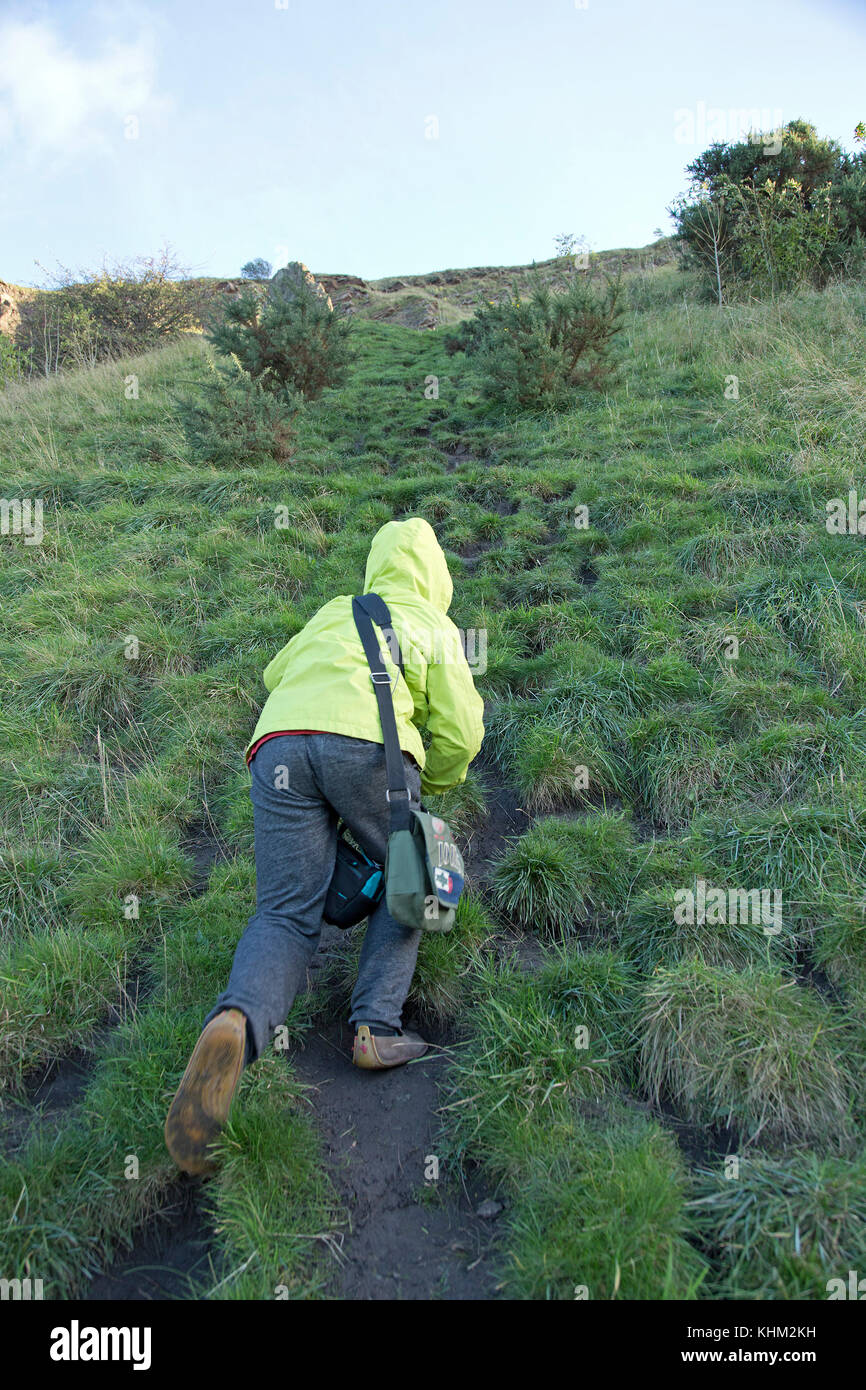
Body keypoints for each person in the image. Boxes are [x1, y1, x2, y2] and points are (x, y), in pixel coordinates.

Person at [165, 516, 485, 1174]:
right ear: (436, 576)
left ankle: (236, 1024)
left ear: (375, 567)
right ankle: (376, 1027)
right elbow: (461, 729)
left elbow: (273, 672)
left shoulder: (336, 611)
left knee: (284, 911)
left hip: (276, 745)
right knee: (413, 874)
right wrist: (438, 781)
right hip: (362, 749)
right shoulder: (430, 623)